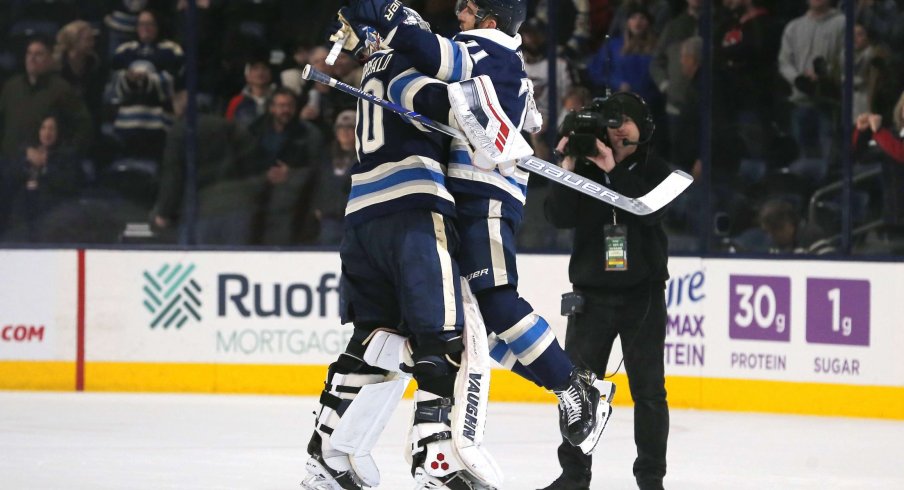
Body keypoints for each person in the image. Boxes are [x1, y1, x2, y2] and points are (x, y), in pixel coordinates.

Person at [344, 0, 613, 454]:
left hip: (486, 192)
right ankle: (571, 379)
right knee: (476, 329)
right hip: (462, 198)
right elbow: (427, 77)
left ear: (491, 21)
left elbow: (434, 63)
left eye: (469, 8)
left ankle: (574, 387)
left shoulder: (491, 50)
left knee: (497, 298)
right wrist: (379, 49)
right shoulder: (488, 50)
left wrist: (388, 22)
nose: (459, 12)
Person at [301, 11, 490, 490]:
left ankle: (325, 454)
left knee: (376, 338)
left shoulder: (370, 68)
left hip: (362, 217)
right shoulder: (406, 59)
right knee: (441, 338)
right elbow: (444, 107)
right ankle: (436, 463)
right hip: (413, 210)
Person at [542, 92, 672, 490]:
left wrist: (612, 170)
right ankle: (573, 477)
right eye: (609, 122)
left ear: (643, 128)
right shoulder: (583, 169)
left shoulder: (656, 170)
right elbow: (557, 215)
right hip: (591, 296)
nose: (616, 129)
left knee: (649, 393)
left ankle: (651, 479)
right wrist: (566, 164)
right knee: (577, 393)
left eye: (624, 121)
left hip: (642, 296)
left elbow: (651, 212)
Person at [1, 114, 83, 243]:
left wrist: (45, 164)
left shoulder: (66, 155)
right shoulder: (28, 153)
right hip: (23, 216)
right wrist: (25, 162)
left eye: (52, 129)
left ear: (58, 132)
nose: (47, 132)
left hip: (51, 214)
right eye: (43, 128)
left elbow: (68, 184)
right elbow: (10, 177)